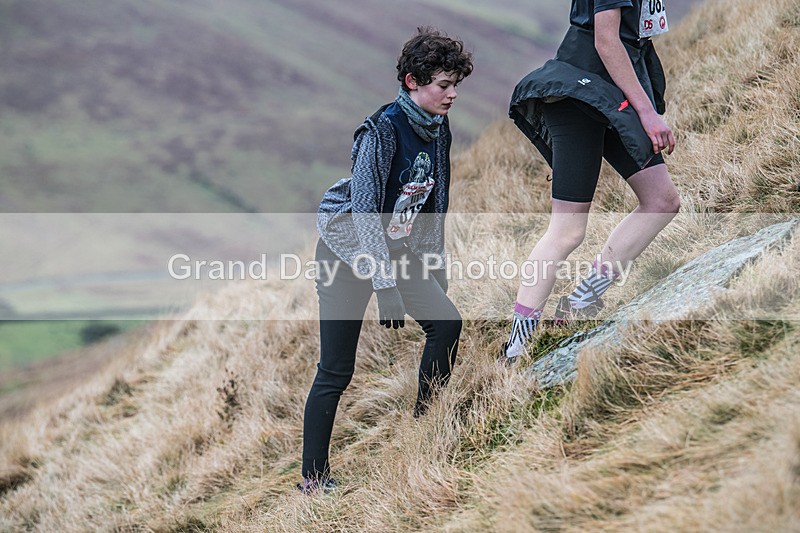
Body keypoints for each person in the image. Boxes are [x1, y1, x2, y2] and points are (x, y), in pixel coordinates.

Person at [298, 27, 473, 493]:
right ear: (413, 81)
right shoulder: (379, 131)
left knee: (447, 323)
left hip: (395, 248)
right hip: (344, 249)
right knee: (336, 368)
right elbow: (365, 211)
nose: (452, 94)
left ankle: (426, 425)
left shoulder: (438, 127)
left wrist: (434, 267)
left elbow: (435, 202)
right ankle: (313, 481)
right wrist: (383, 284)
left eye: (456, 84)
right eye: (443, 84)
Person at [503, 0, 681, 361]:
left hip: (613, 94)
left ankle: (580, 302)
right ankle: (516, 348)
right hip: (580, 94)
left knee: (662, 200)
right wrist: (647, 113)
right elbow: (606, 40)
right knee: (567, 230)